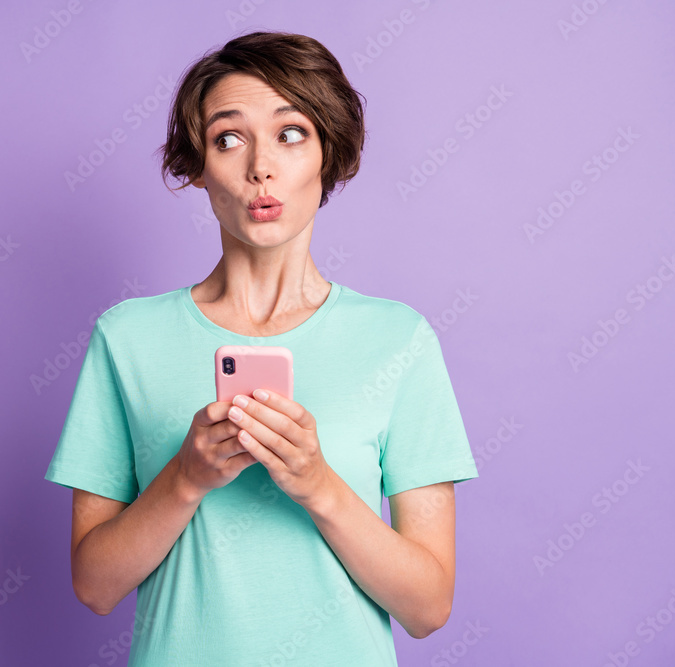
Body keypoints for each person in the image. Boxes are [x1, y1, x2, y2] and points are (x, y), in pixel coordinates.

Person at [44, 30, 479, 666]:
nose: (260, 167)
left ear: (330, 152)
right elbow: (94, 586)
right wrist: (185, 478)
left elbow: (428, 608)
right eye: (228, 138)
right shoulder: (126, 338)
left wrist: (318, 485)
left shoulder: (399, 340)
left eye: (291, 133)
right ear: (198, 168)